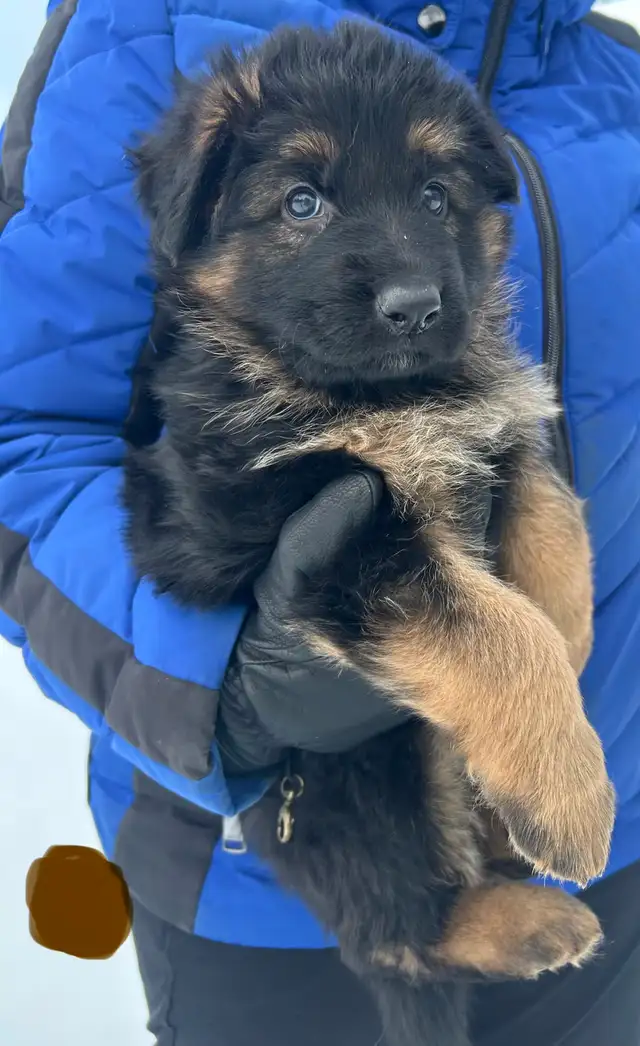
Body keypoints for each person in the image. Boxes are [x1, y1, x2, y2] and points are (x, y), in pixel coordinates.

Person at [1, 1, 639, 1044]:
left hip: (608, 845)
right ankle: (414, 932)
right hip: (269, 893)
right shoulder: (143, 24)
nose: (405, 279)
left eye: (437, 194)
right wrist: (222, 693)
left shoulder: (612, 69)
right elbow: (15, 439)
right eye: (302, 201)